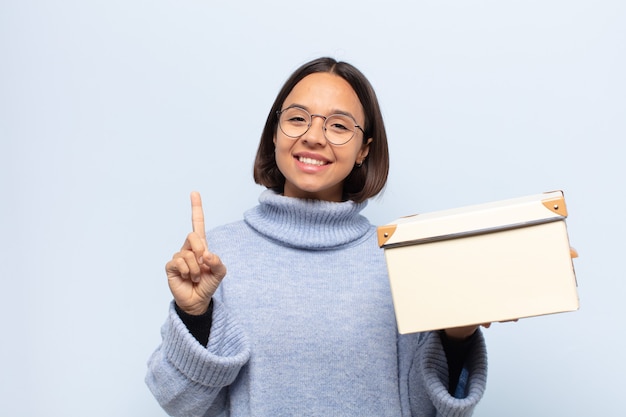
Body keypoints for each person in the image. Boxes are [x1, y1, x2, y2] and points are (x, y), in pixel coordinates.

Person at [146, 57, 488, 417]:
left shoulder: (399, 259)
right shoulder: (216, 258)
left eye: (339, 126)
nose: (313, 136)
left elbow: (428, 410)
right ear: (275, 132)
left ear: (365, 150)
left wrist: (457, 336)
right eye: (297, 119)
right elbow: (180, 404)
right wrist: (195, 315)